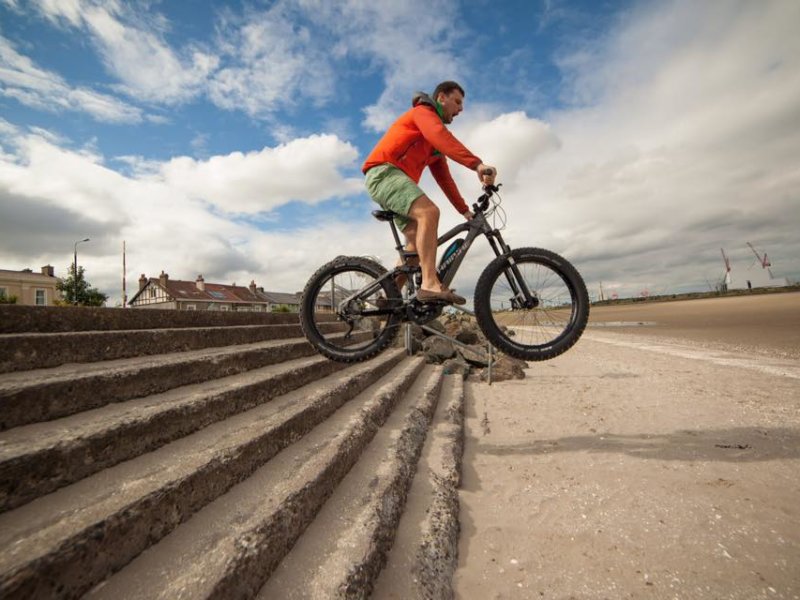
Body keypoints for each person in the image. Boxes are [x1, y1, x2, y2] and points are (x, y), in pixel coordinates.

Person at [362, 80, 496, 305]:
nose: (461, 109)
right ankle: (429, 284)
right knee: (429, 212)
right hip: (383, 172)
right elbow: (440, 135)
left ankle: (390, 297)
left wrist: (464, 211)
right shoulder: (423, 113)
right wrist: (477, 164)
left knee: (415, 248)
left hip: (395, 181)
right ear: (441, 98)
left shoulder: (434, 147)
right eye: (457, 102)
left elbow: (445, 180)